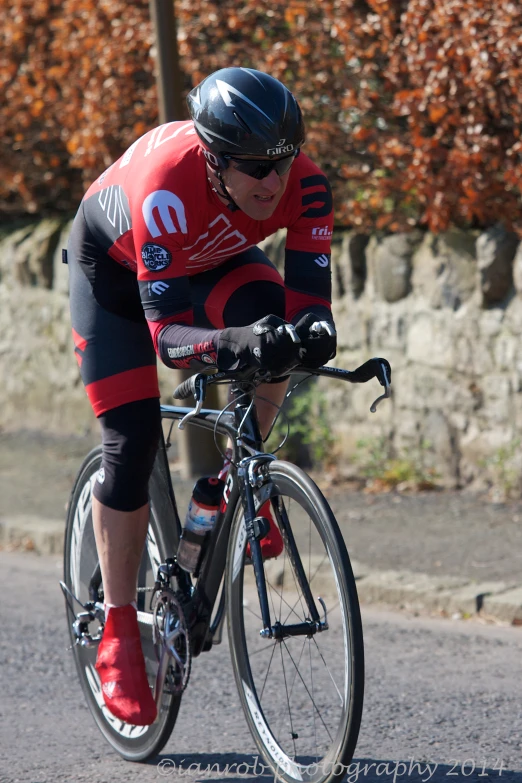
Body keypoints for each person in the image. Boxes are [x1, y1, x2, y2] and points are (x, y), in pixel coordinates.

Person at [67, 66, 337, 726]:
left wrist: (310, 336)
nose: (273, 183)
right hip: (119, 272)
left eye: (281, 162)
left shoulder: (305, 184)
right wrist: (235, 344)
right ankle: (120, 629)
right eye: (254, 168)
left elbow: (309, 313)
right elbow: (169, 340)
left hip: (210, 256)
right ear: (214, 159)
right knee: (129, 442)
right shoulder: (166, 185)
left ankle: (238, 476)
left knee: (278, 336)